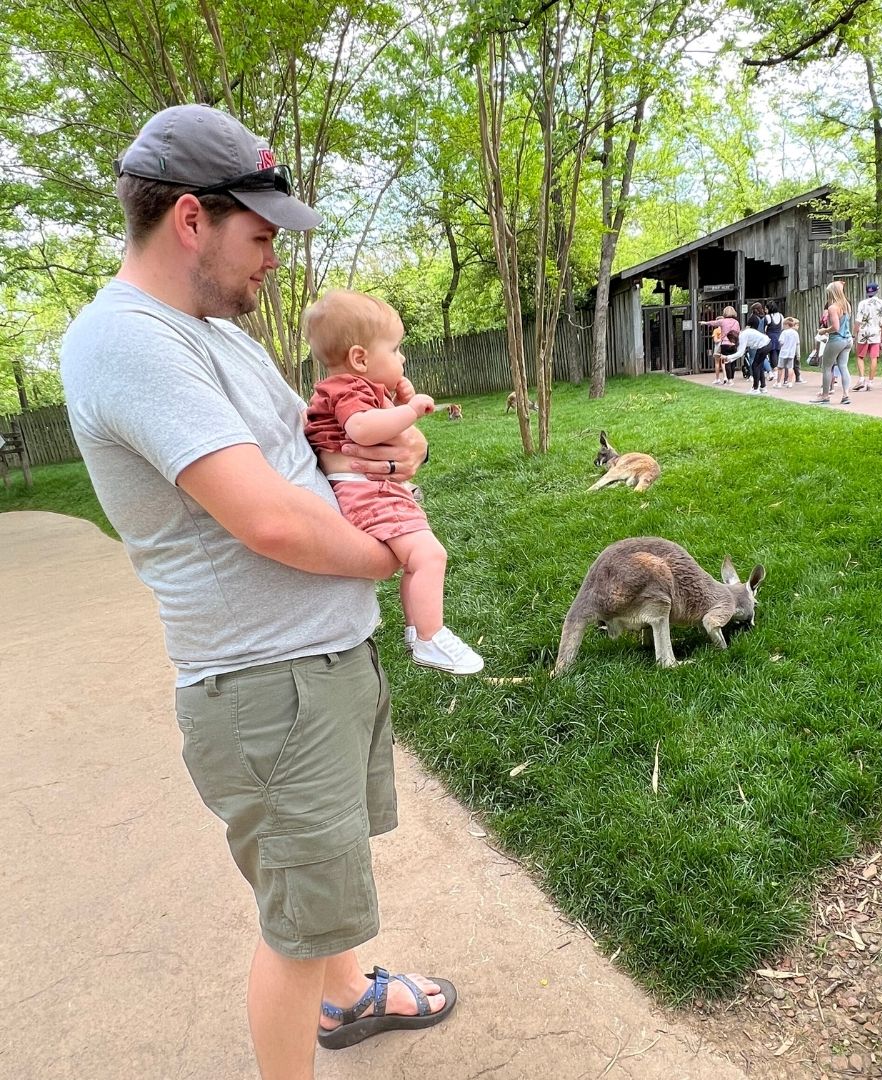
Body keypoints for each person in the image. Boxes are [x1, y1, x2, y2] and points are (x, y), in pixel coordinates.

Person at [59, 105, 455, 1080]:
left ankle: (352, 999)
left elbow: (310, 463)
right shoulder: (128, 343)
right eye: (263, 234)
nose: (275, 257)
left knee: (323, 885)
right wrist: (402, 556)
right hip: (267, 687)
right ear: (192, 219)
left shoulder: (211, 332)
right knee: (295, 920)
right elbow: (270, 521)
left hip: (316, 665)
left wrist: (395, 460)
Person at [303, 290, 483, 675]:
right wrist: (409, 410)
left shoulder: (355, 388)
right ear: (360, 358)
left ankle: (418, 631)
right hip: (366, 490)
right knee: (429, 556)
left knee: (418, 560)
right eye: (396, 348)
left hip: (367, 486)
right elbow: (363, 429)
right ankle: (431, 637)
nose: (401, 358)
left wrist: (398, 397)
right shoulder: (347, 390)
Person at [809, 280, 854, 405]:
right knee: (843, 367)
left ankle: (825, 396)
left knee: (827, 367)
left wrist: (824, 331)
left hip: (836, 339)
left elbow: (835, 327)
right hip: (848, 339)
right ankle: (846, 395)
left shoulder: (833, 307)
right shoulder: (846, 305)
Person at [852, 281, 882, 391]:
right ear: (877, 291)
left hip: (863, 333)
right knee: (874, 357)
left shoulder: (862, 303)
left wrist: (854, 334)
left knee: (860, 356)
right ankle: (870, 382)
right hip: (876, 333)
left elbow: (858, 321)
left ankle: (861, 379)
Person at [725, 321, 772, 394]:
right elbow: (741, 352)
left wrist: (728, 357)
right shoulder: (743, 334)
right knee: (759, 366)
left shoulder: (742, 337)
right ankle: (763, 387)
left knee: (755, 366)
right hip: (767, 343)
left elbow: (740, 353)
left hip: (763, 346)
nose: (731, 342)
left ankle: (755, 388)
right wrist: (730, 359)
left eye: (730, 340)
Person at [700, 305, 741, 384]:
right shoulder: (736, 322)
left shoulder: (723, 321)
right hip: (733, 344)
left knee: (726, 361)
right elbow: (738, 332)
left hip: (725, 344)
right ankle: (732, 376)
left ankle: (729, 379)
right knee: (732, 361)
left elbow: (713, 323)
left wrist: (705, 323)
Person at [776, 316, 800, 388]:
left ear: (787, 325)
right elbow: (797, 343)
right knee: (790, 367)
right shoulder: (795, 333)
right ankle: (789, 382)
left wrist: (781, 345)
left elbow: (781, 342)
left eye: (783, 325)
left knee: (780, 367)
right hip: (791, 353)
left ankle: (778, 382)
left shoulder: (784, 332)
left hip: (783, 352)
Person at [764, 300, 784, 382]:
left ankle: (775, 370)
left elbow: (765, 327)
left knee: (772, 353)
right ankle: (779, 370)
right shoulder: (780, 316)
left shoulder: (768, 317)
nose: (765, 310)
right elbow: (782, 326)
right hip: (779, 335)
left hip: (771, 336)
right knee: (778, 353)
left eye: (766, 308)